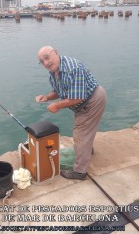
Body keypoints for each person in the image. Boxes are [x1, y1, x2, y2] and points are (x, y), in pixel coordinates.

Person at [35, 46, 106, 180]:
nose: (45, 63)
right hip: (83, 103)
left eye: (47, 57)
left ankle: (79, 171)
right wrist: (47, 98)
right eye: (41, 61)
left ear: (55, 52)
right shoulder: (54, 71)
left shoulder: (73, 68)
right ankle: (87, 151)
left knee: (80, 134)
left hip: (92, 100)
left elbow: (78, 97)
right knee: (85, 131)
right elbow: (59, 91)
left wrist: (57, 106)